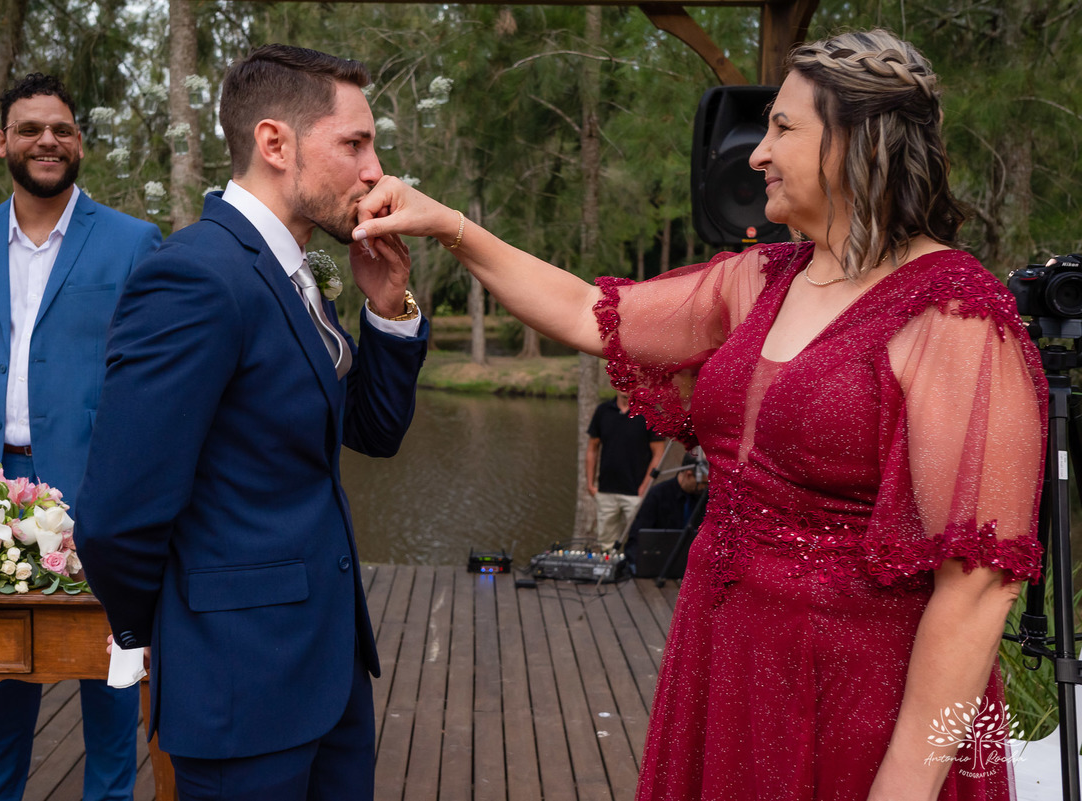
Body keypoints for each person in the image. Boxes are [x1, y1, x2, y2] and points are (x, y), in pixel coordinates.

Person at [353, 28, 1046, 800]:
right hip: (727, 663)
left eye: (782, 127)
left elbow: (978, 585)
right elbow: (588, 310)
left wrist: (904, 787)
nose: (756, 154)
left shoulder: (956, 313)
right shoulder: (762, 281)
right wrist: (447, 223)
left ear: (856, 141)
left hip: (862, 700)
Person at [72, 45, 428, 801]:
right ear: (274, 143)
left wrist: (388, 308)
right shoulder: (196, 275)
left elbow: (373, 428)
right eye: (354, 143)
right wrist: (171, 638)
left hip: (329, 678)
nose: (374, 170)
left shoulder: (294, 274)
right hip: (240, 693)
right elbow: (115, 516)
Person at [0, 73, 161, 801]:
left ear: (78, 142)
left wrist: (135, 496)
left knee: (111, 692)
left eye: (61, 128)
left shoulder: (133, 242)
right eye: (29, 128)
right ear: (1, 142)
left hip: (98, 499)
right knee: (2, 687)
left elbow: (150, 387)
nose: (47, 139)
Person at [586, 390, 665, 549]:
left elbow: (659, 454)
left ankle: (633, 572)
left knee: (639, 542)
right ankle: (609, 571)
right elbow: (592, 448)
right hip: (606, 491)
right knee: (606, 545)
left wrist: (645, 486)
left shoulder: (650, 413)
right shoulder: (603, 410)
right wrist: (590, 484)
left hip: (636, 493)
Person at [624, 451, 707, 575]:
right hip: (659, 566)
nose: (705, 488)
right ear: (689, 475)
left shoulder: (706, 496)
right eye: (703, 484)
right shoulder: (658, 494)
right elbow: (637, 536)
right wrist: (637, 566)